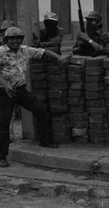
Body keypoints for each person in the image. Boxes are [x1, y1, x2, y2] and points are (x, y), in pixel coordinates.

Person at [0, 27, 63, 168]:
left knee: (41, 109)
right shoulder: (1, 52)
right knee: (3, 124)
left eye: (18, 38)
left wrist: (59, 57)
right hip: (4, 93)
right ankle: (2, 157)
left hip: (20, 90)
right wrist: (5, 85)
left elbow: (43, 52)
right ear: (6, 40)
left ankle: (45, 141)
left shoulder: (25, 50)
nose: (15, 41)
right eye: (12, 39)